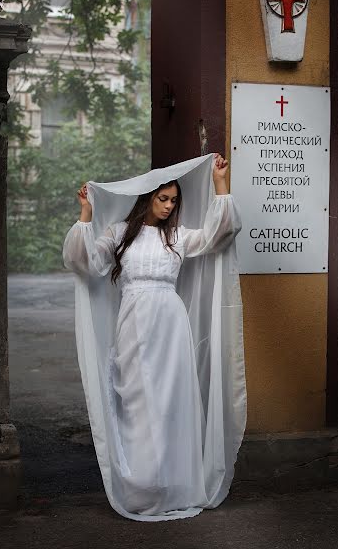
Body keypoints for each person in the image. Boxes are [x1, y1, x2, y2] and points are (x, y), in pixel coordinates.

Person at [62, 152, 247, 522]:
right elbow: (85, 262)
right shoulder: (118, 234)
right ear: (147, 198)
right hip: (134, 322)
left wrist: (220, 184)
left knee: (171, 402)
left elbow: (218, 235)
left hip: (170, 324)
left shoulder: (177, 237)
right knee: (136, 400)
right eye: (163, 198)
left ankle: (176, 485)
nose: (169, 206)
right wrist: (86, 213)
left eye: (174, 201)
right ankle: (143, 484)